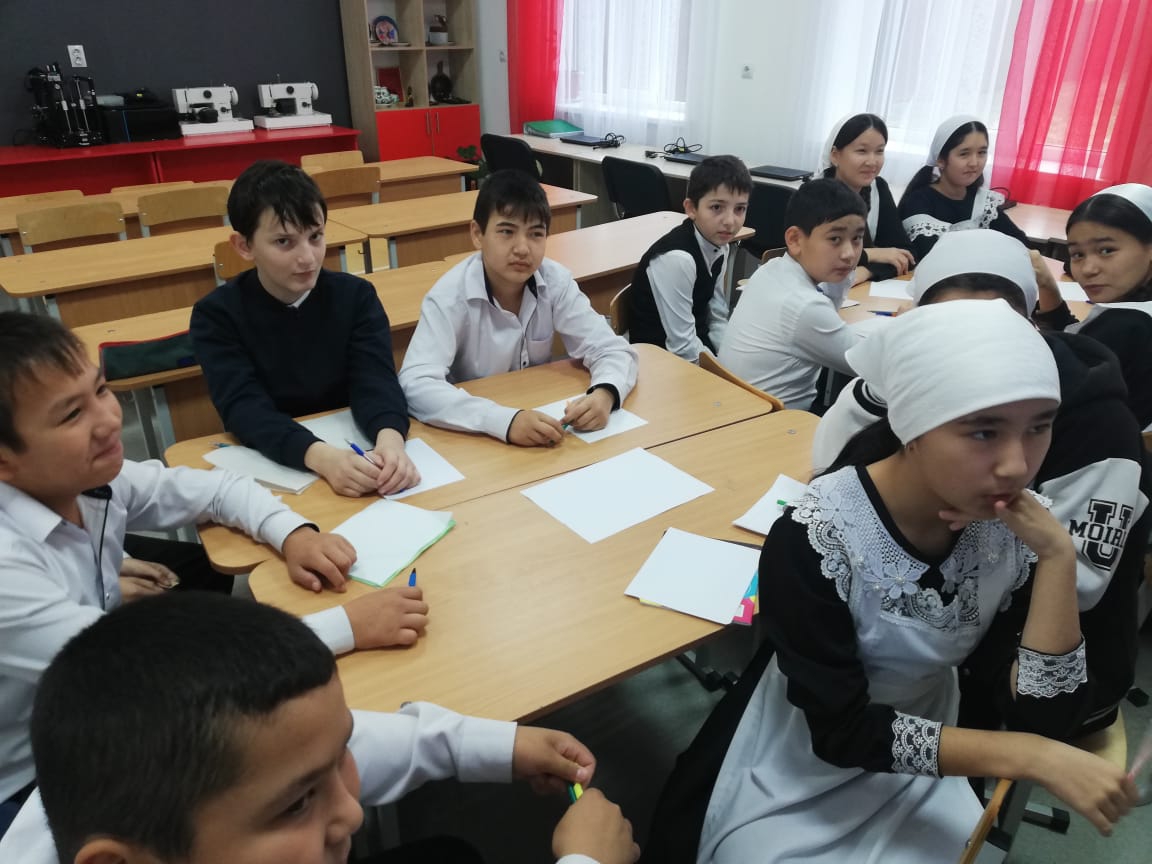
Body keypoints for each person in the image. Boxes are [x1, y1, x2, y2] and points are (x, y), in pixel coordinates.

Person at [644, 300, 1138, 864]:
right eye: (983, 432)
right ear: (913, 429)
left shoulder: (1018, 530)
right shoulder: (818, 536)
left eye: (1039, 427)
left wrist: (1057, 557)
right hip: (809, 751)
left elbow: (1046, 714)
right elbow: (841, 733)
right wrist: (1026, 755)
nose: (1016, 465)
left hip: (936, 738)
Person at [0, 312, 429, 836]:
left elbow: (221, 489)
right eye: (72, 414)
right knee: (270, 770)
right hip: (30, 781)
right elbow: (164, 676)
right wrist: (348, 626)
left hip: (93, 712)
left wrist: (295, 534)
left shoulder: (86, 479)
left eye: (102, 390)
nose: (109, 418)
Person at [0, 593, 641, 864]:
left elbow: (310, 749)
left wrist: (495, 745)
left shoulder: (112, 789)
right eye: (298, 804)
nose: (353, 814)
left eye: (338, 761)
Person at [811, 229, 1151, 738]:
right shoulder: (924, 384)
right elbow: (833, 472)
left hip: (1045, 653)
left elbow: (1080, 585)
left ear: (1031, 326)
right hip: (932, 637)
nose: (971, 347)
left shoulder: (1098, 424)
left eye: (997, 325)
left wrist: (991, 528)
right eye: (946, 327)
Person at [191, 160, 419, 499]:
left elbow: (375, 379)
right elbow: (244, 408)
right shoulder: (216, 315)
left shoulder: (356, 296)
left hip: (357, 454)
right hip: (280, 467)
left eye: (315, 237)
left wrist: (391, 442)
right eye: (284, 242)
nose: (308, 258)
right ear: (244, 246)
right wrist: (321, 458)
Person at [399, 170, 638, 447]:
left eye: (536, 234)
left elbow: (611, 348)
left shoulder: (555, 281)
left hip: (539, 419)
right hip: (473, 435)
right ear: (477, 234)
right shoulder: (449, 297)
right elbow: (416, 383)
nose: (523, 248)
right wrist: (503, 421)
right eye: (506, 232)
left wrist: (605, 392)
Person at [716, 178, 867, 410]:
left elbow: (830, 311)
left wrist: (844, 273)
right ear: (795, 240)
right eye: (835, 239)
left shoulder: (772, 269)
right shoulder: (805, 306)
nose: (849, 253)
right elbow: (871, 365)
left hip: (738, 407)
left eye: (856, 239)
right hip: (776, 422)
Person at [1033, 182, 1152, 428]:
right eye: (1077, 254)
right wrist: (1048, 287)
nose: (1088, 269)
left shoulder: (1126, 325)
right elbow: (1079, 345)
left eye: (1106, 250)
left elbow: (1053, 378)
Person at [626, 156, 752, 362]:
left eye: (740, 209)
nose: (730, 221)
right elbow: (681, 346)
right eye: (717, 207)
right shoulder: (678, 259)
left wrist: (730, 361)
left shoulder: (721, 245)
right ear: (691, 208)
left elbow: (716, 317)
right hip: (659, 361)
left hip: (695, 347)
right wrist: (723, 374)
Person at [898, 115, 1027, 260]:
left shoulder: (982, 202)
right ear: (941, 160)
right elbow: (933, 255)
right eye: (964, 154)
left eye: (981, 153)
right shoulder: (918, 201)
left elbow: (1020, 242)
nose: (974, 163)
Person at [818, 113, 915, 282]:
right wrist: (874, 254)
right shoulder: (816, 194)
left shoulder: (878, 189)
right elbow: (819, 257)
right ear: (835, 155)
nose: (872, 162)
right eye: (862, 151)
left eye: (879, 151)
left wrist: (866, 271)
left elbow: (905, 254)